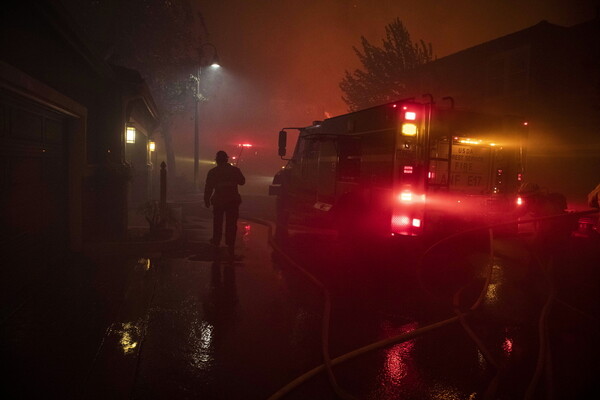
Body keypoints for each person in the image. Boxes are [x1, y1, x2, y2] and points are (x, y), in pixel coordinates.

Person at [204, 151, 245, 256]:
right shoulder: (234, 170)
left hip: (219, 201)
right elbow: (242, 182)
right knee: (231, 223)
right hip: (232, 201)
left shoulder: (213, 172)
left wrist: (206, 199)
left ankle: (216, 240)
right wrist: (235, 173)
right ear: (226, 159)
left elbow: (209, 187)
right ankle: (230, 242)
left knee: (217, 222)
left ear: (217, 160)